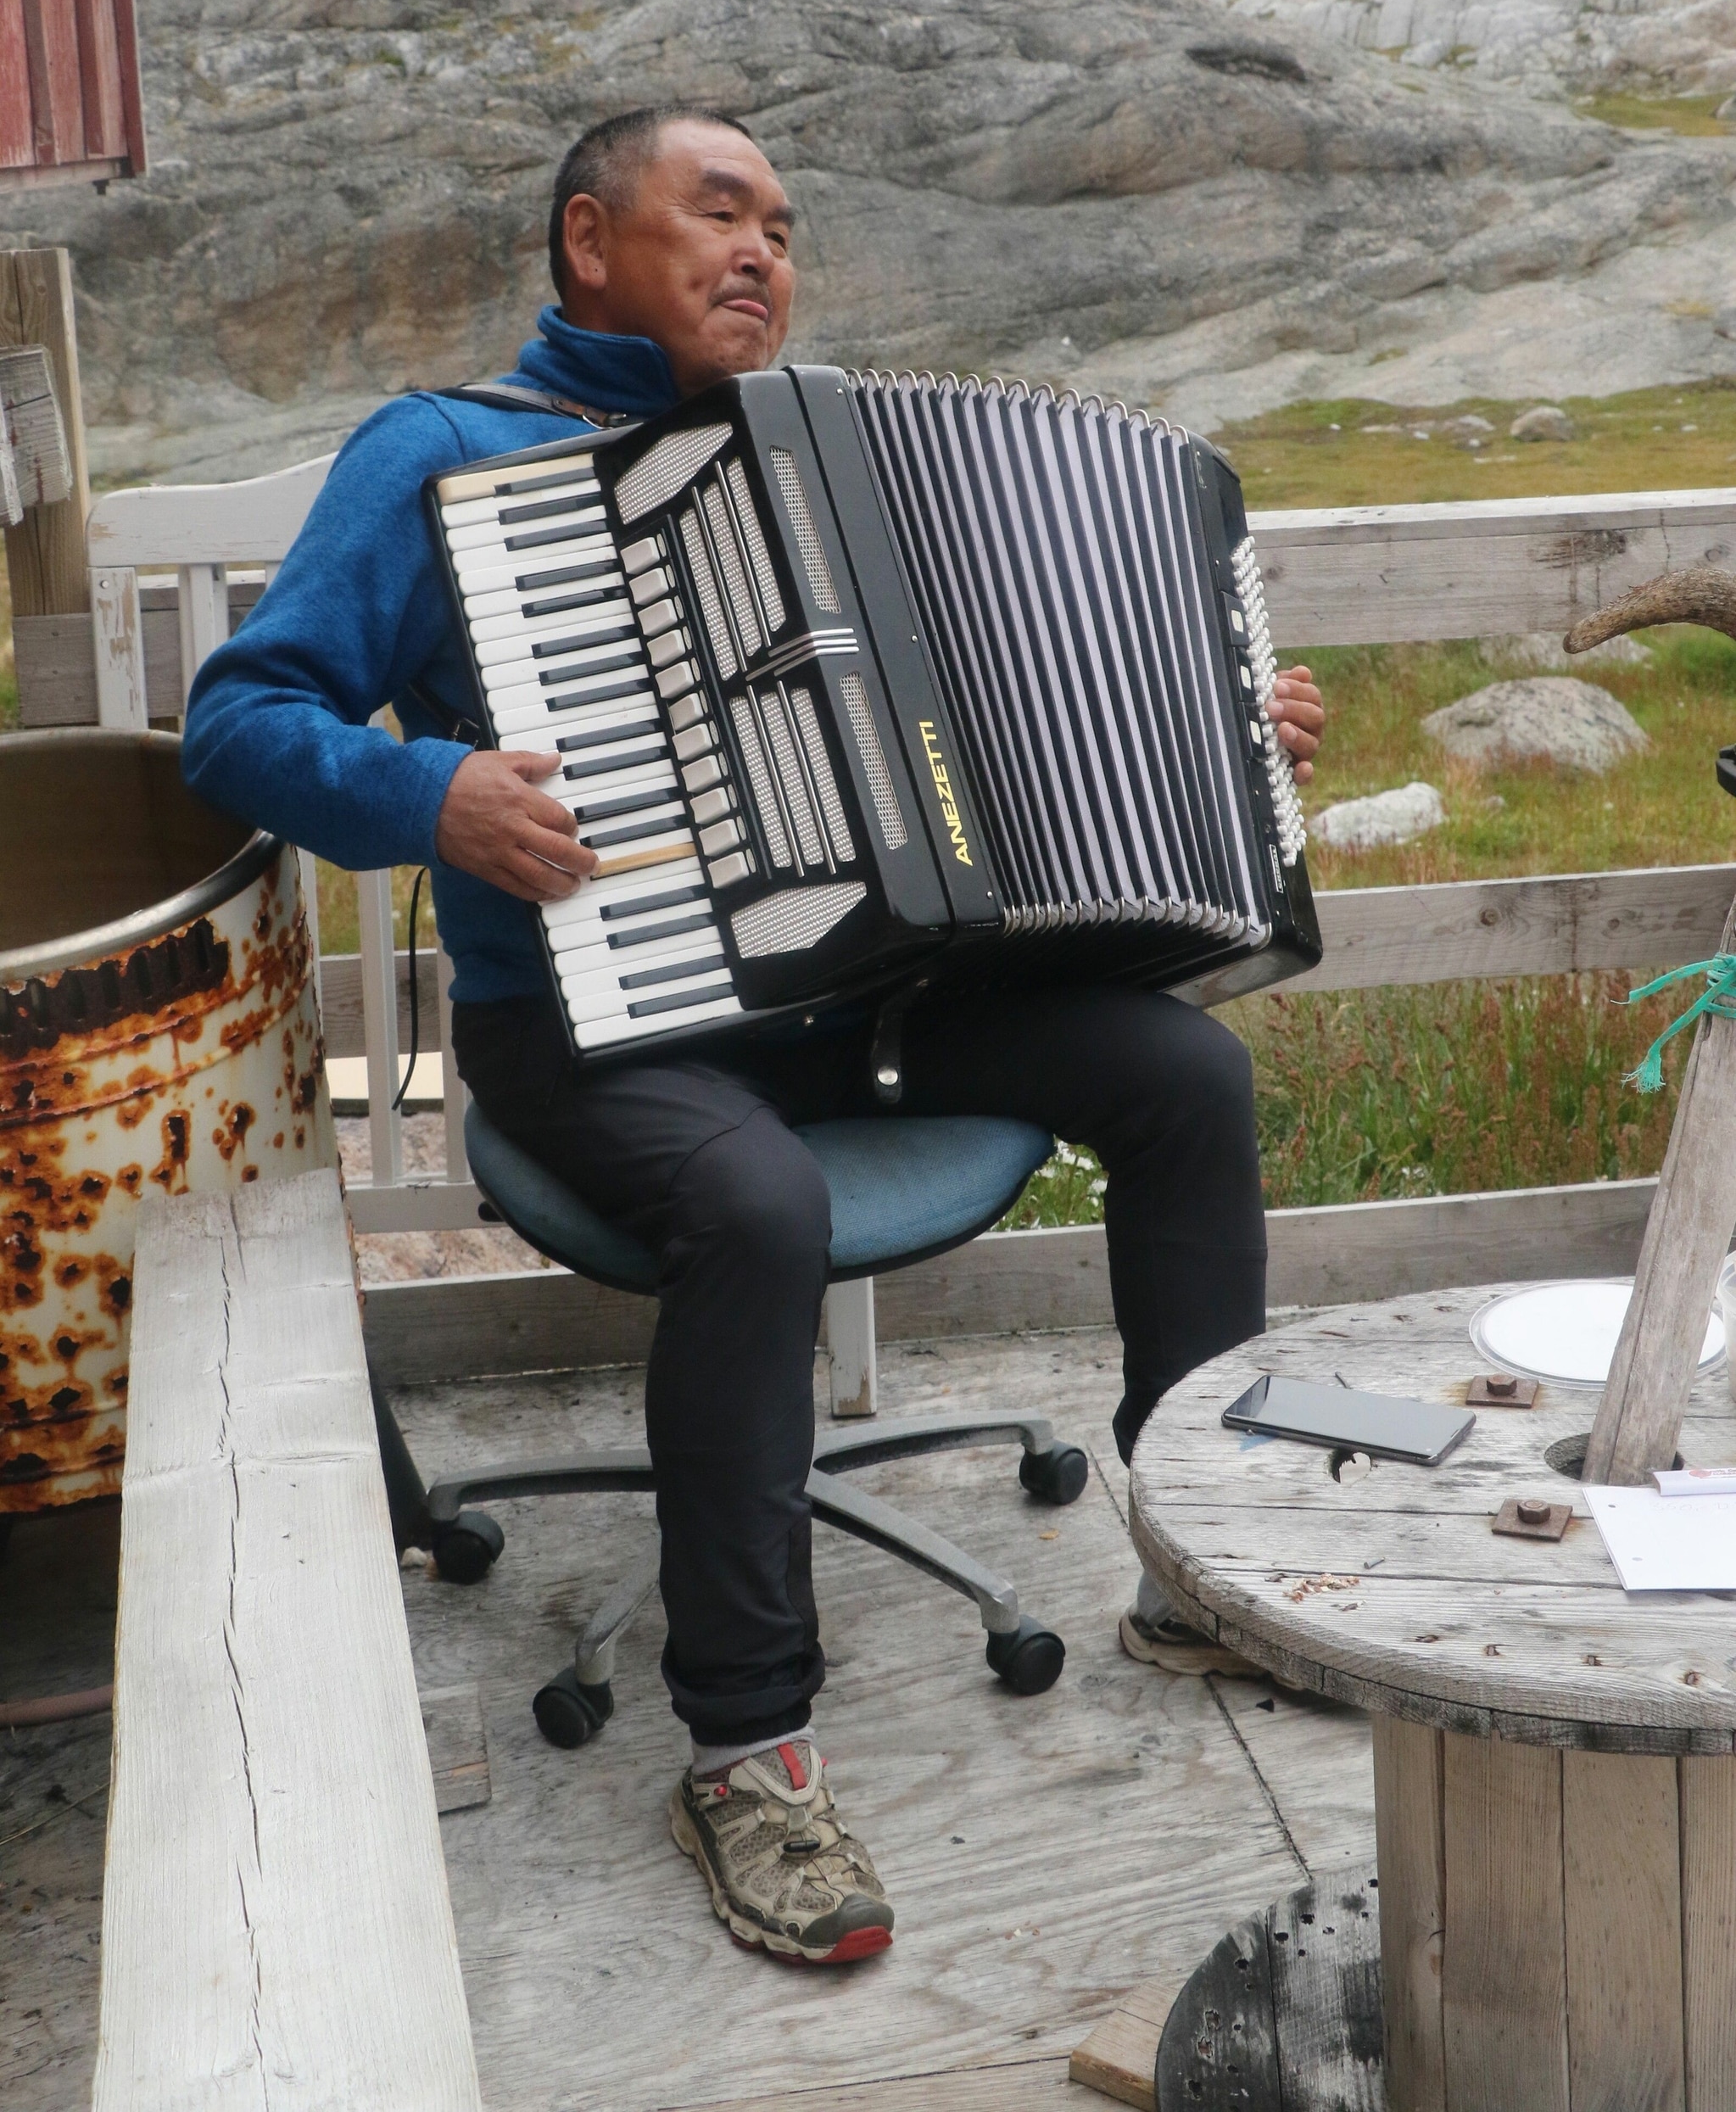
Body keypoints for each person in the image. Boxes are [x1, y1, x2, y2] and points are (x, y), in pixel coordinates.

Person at [183, 104, 1326, 1969]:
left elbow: (1021, 715)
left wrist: (1219, 728)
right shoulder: (450, 455)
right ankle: (745, 1752)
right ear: (587, 242)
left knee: (1185, 1076)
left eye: (784, 227)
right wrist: (435, 790)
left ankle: (1207, 1572)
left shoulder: (848, 453)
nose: (761, 252)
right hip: (596, 1028)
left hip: (863, 1008)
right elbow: (239, 723)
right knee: (763, 1209)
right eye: (717, 211)